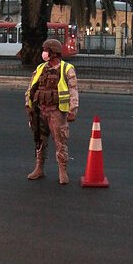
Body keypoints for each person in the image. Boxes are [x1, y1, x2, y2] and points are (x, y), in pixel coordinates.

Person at [25, 39, 79, 185]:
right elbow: (31, 88)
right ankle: (39, 168)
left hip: (57, 111)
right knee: (40, 140)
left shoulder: (67, 69)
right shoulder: (41, 68)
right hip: (40, 110)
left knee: (60, 141)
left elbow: (73, 90)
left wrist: (72, 109)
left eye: (46, 50)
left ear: (53, 52)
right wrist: (28, 106)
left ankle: (62, 171)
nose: (44, 53)